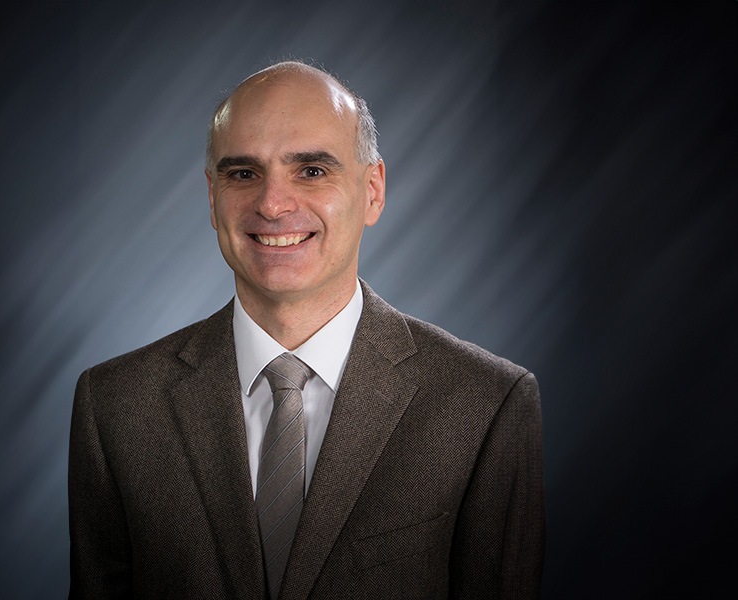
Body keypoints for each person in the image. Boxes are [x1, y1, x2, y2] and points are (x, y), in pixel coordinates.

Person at [68, 61, 545, 600]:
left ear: (372, 191)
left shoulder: (483, 404)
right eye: (242, 173)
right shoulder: (115, 405)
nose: (272, 204)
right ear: (211, 197)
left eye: (312, 171)